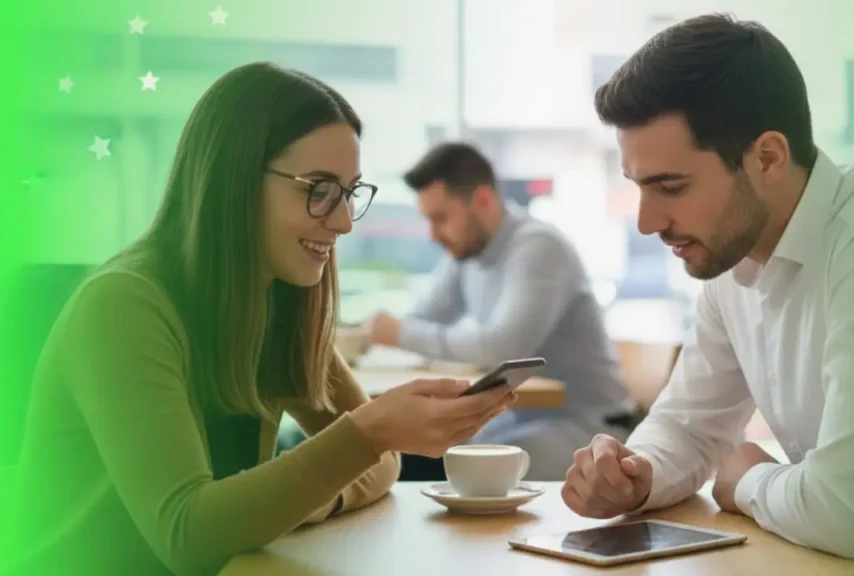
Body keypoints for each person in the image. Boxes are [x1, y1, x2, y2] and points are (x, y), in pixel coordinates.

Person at [1, 62, 516, 576]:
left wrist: (297, 502)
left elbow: (385, 465)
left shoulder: (278, 300)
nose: (340, 221)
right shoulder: (121, 306)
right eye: (318, 188)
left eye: (349, 193)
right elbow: (188, 536)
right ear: (236, 180)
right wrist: (364, 436)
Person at [561, 13, 854, 575]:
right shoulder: (730, 256)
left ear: (768, 158)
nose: (647, 222)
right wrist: (632, 476)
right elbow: (688, 426)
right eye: (639, 186)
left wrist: (747, 480)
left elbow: (851, 514)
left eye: (672, 186)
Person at [362, 142, 631, 480]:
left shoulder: (539, 247)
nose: (433, 235)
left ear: (484, 201)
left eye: (440, 218)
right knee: (403, 454)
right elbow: (423, 318)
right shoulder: (466, 253)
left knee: (434, 467)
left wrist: (398, 333)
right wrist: (403, 331)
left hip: (588, 428)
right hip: (516, 419)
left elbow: (502, 348)